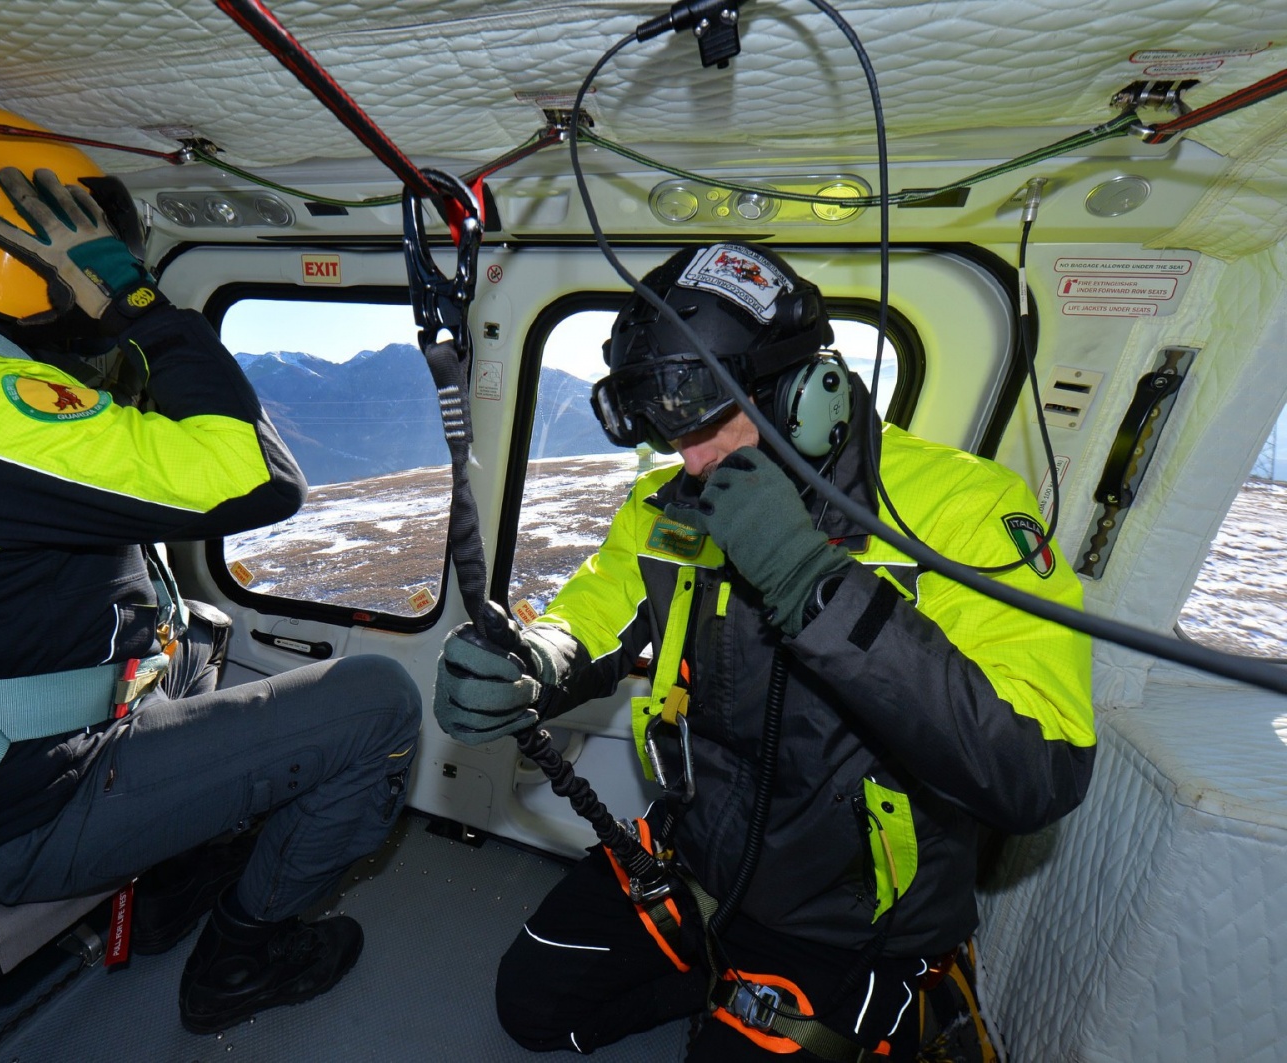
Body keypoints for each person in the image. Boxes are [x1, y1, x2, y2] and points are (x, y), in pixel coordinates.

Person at [0, 103, 420, 1035]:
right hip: (6, 816)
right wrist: (141, 308)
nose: (75, 267)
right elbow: (256, 477)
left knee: (201, 632)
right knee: (378, 700)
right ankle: (242, 959)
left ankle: (188, 858)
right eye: (64, 237)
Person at [434, 242, 1094, 1059]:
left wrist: (814, 582)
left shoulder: (965, 508)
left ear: (807, 393)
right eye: (673, 437)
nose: (694, 462)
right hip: (695, 862)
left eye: (710, 423)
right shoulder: (670, 499)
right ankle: (718, 987)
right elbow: (595, 613)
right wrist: (533, 662)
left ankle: (883, 1011)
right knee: (530, 1005)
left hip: (846, 920)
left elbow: (1040, 764)